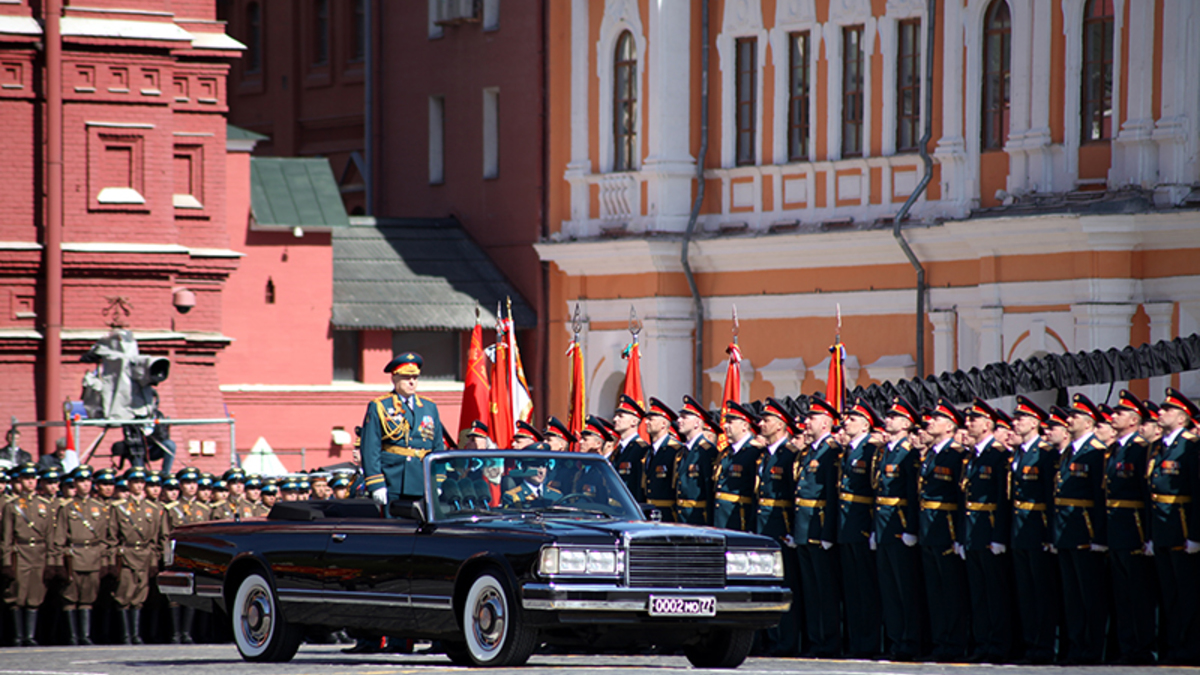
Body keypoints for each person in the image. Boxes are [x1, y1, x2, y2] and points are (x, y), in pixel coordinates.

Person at [1055, 393, 1110, 665]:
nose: (1069, 419)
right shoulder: (1070, 451)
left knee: (1090, 595)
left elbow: (1100, 498)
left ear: (1088, 422)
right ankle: (1076, 646)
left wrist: (1099, 535)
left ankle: (1092, 648)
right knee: (1072, 596)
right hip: (1065, 532)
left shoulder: (1096, 451)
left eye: (1075, 416)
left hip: (1085, 532)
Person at [1104, 390, 1156, 665]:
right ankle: (1127, 647)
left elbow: (1147, 494)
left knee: (1138, 594)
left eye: (1120, 413)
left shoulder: (1140, 448)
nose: (1114, 417)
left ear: (1134, 419)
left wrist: (1147, 534)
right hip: (1116, 530)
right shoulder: (1115, 448)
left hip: (1133, 529)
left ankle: (1142, 647)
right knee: (1122, 595)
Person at [1148, 388, 1200, 665]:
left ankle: (1189, 648)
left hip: (1181, 525)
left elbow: (1196, 492)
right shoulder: (1160, 446)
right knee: (1168, 592)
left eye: (1167, 410)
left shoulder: (1190, 445)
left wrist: (1195, 534)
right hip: (1161, 527)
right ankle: (1172, 647)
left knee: (1187, 593)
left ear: (1181, 418)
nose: (1161, 412)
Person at [1009, 396, 1061, 664]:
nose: (1015, 422)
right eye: (1015, 418)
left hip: (1037, 528)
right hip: (1019, 529)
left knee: (1041, 591)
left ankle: (1043, 645)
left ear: (1035, 422)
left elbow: (1050, 497)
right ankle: (1030, 643)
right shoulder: (1019, 452)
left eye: (1021, 418)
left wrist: (1049, 533)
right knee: (1026, 592)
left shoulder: (1045, 452)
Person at [961, 398, 1013, 663]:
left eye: (974, 419)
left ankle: (999, 644)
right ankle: (983, 642)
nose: (969, 423)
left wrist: (999, 536)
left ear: (988, 424)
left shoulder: (998, 455)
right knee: (979, 593)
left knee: (995, 593)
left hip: (989, 531)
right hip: (972, 533)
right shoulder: (973, 455)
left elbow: (1002, 499)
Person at [919, 400, 970, 662]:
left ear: (949, 426)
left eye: (936, 419)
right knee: (935, 592)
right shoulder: (931, 453)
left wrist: (959, 535)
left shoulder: (957, 454)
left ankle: (954, 643)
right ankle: (940, 642)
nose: (929, 422)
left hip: (946, 530)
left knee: (950, 592)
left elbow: (962, 499)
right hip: (929, 529)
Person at [874, 397, 923, 662]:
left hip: (899, 527)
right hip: (883, 528)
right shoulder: (887, 451)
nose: (887, 419)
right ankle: (896, 640)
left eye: (894, 416)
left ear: (906, 423)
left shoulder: (908, 452)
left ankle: (910, 640)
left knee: (905, 589)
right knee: (890, 589)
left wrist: (911, 529)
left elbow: (912, 494)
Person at [362, 352, 444, 508]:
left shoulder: (429, 407)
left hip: (423, 480)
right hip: (395, 480)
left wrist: (438, 480)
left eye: (415, 378)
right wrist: (376, 483)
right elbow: (370, 448)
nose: (412, 382)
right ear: (394, 378)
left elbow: (437, 446)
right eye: (406, 378)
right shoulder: (380, 406)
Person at [793, 396, 841, 658]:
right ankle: (815, 640)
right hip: (803, 527)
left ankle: (829, 642)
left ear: (826, 422)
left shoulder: (831, 451)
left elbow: (832, 495)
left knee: (825, 591)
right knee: (811, 592)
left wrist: (828, 532)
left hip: (818, 527)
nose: (805, 422)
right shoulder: (810, 450)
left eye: (811, 418)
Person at [753, 398, 800, 657]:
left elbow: (795, 495)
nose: (761, 424)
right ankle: (770, 639)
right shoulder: (766, 455)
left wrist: (791, 529)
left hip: (780, 528)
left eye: (767, 420)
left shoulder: (789, 455)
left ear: (781, 425)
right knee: (765, 586)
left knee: (783, 585)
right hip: (764, 526)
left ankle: (787, 641)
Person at [837, 398, 882, 659]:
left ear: (865, 424)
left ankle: (869, 642)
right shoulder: (850, 451)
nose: (846, 422)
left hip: (862, 525)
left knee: (866, 588)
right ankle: (856, 641)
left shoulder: (870, 449)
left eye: (852, 419)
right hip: (847, 527)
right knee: (853, 589)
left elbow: (875, 490)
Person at [49, 465, 113, 646]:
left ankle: (84, 635)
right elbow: (59, 537)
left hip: (93, 555)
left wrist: (106, 560)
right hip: (73, 556)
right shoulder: (67, 508)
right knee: (70, 597)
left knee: (88, 597)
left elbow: (107, 538)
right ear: (75, 484)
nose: (85, 485)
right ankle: (72, 636)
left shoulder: (99, 507)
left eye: (87, 481)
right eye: (81, 481)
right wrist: (58, 562)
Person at [110, 468, 168, 644]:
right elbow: (112, 537)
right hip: (126, 554)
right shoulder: (119, 508)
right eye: (135, 482)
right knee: (124, 595)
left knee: (139, 597)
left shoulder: (153, 509)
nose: (139, 486)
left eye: (141, 482)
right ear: (128, 484)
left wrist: (157, 558)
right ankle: (126, 635)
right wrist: (112, 560)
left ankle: (135, 634)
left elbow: (161, 537)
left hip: (146, 555)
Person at [1, 463, 54, 646]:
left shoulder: (44, 505)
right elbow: (6, 537)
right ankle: (18, 636)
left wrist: (52, 562)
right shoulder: (12, 506)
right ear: (20, 481)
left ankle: (30, 636)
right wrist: (6, 561)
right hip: (20, 552)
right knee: (17, 594)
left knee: (35, 595)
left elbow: (50, 536)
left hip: (39, 552)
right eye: (26, 479)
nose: (30, 482)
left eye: (33, 479)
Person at [713, 401, 762, 532]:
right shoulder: (725, 453)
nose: (726, 426)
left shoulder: (753, 452)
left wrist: (751, 525)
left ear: (744, 426)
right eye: (726, 422)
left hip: (739, 520)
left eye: (731, 422)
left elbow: (755, 492)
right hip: (721, 519)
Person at [674, 396, 719, 526]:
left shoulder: (706, 452)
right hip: (682, 517)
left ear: (697, 423)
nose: (679, 420)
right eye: (679, 417)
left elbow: (709, 492)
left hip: (698, 519)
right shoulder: (682, 451)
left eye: (684, 417)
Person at [642, 398, 682, 521]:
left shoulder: (674, 450)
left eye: (651, 419)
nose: (646, 422)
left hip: (667, 514)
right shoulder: (649, 451)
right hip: (649, 512)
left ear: (663, 424)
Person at [612, 396, 650, 501]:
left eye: (620, 416)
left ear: (634, 422)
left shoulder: (640, 449)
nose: (615, 419)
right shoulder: (618, 450)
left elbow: (639, 485)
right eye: (616, 416)